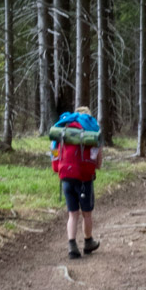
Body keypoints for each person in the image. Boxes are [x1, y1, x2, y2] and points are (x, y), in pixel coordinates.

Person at [51, 106, 102, 260]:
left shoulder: (63, 132)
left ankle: (72, 246)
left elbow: (54, 155)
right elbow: (98, 164)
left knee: (72, 214)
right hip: (84, 179)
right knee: (87, 214)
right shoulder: (91, 133)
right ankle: (88, 242)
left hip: (65, 177)